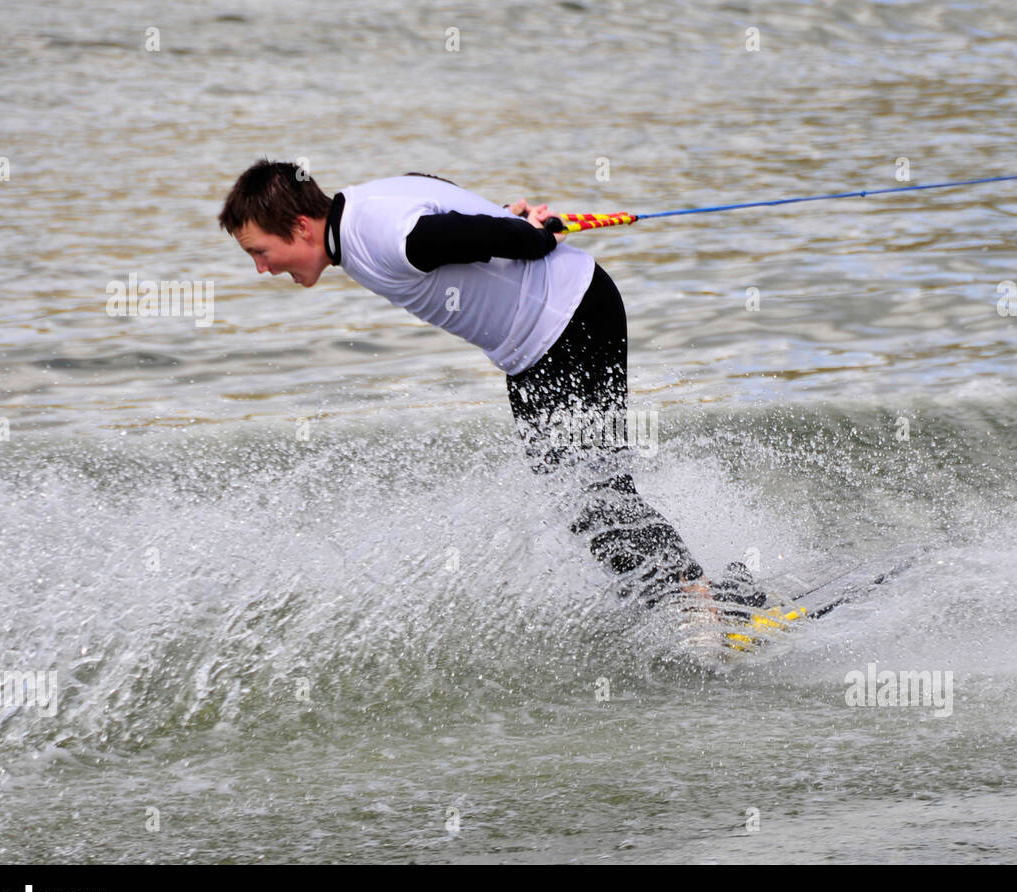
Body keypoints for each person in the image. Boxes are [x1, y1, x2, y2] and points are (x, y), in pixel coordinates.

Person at [217, 160, 764, 611]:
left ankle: (699, 611)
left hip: (570, 322)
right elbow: (432, 187)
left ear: (301, 228)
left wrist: (518, 232)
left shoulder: (380, 238)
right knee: (577, 498)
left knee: (593, 494)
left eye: (260, 253)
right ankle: (694, 596)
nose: (262, 270)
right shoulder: (364, 205)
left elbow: (479, 240)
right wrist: (505, 219)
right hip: (536, 349)